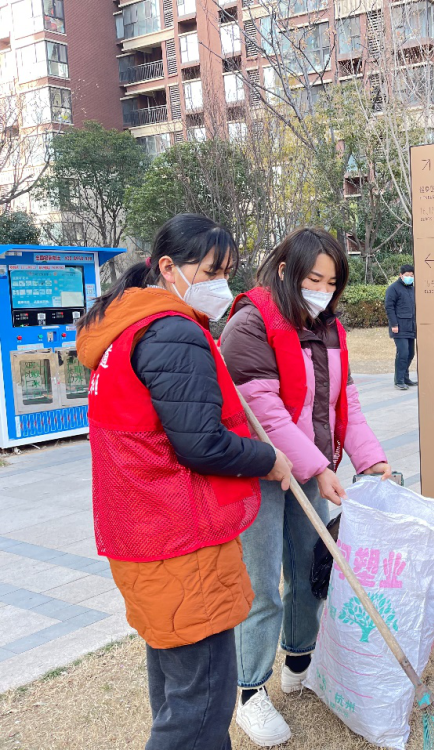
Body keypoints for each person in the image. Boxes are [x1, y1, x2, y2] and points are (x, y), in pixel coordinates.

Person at [77, 214, 293, 750]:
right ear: (168, 267)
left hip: (144, 533)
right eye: (212, 270)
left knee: (177, 691)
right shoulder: (171, 331)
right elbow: (202, 444)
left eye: (228, 271)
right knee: (199, 708)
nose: (222, 283)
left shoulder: (123, 327)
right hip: (179, 537)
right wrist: (269, 458)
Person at [220, 228, 392, 747]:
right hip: (262, 474)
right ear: (284, 271)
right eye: (313, 278)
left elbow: (346, 405)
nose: (322, 289)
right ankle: (251, 692)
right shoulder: (249, 326)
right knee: (261, 586)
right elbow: (266, 416)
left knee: (310, 573)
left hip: (317, 469)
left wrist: (373, 460)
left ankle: (300, 662)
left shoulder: (329, 328)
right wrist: (318, 468)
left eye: (331, 281)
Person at [384, 264, 417, 390]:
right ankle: (398, 380)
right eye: (407, 275)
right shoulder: (393, 288)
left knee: (410, 353)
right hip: (399, 327)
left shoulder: (412, 289)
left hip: (410, 326)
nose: (409, 277)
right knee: (403, 353)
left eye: (411, 275)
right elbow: (389, 307)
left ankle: (405, 377)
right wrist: (394, 324)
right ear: (401, 275)